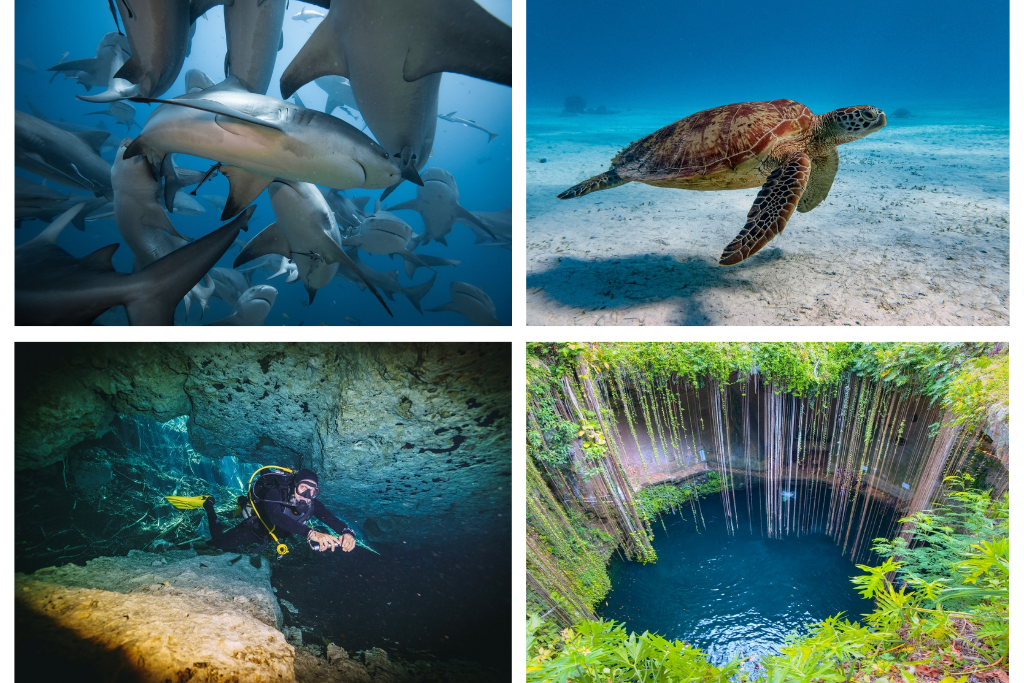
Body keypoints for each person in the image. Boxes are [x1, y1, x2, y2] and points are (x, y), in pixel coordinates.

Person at [203, 468, 356, 554]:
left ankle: (243, 503)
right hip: (255, 529)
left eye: (312, 491)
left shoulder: (312, 504)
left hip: (274, 537)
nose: (306, 495)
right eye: (303, 488)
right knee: (219, 543)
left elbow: (331, 519)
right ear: (294, 486)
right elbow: (275, 517)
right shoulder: (276, 493)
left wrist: (347, 533)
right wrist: (311, 533)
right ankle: (209, 506)